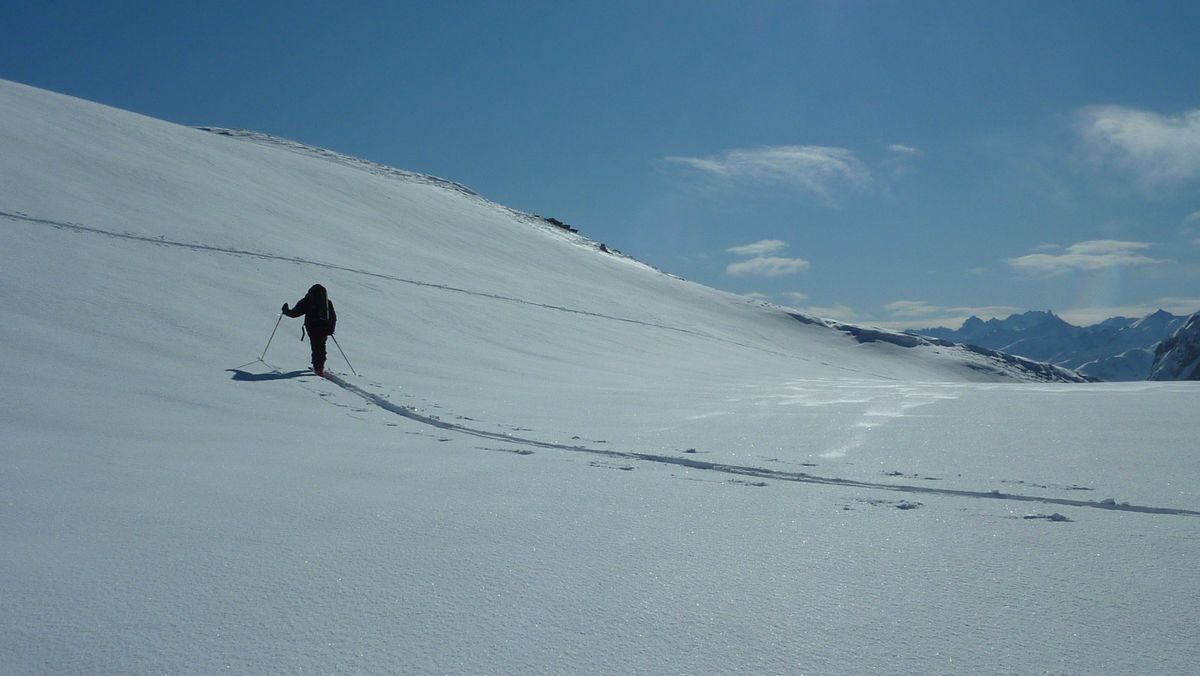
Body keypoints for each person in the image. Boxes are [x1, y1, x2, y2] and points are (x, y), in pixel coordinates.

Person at [282, 284, 337, 376]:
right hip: (324, 328)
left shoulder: (307, 301)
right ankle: (320, 366)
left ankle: (318, 367)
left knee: (315, 347)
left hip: (312, 328)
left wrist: (285, 310)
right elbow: (333, 317)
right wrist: (331, 329)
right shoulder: (327, 302)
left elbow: (294, 313)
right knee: (321, 346)